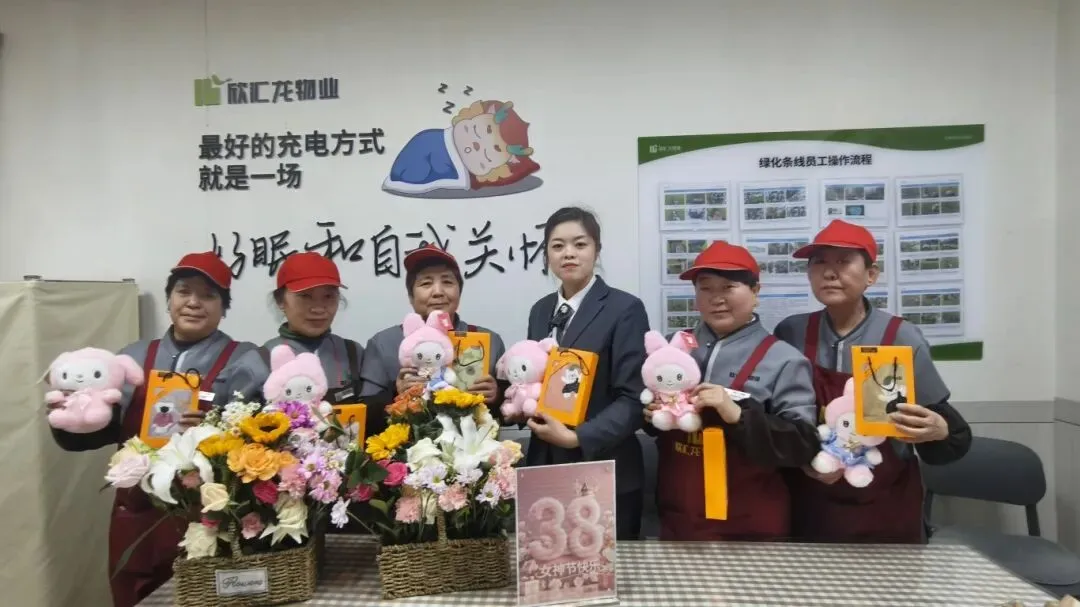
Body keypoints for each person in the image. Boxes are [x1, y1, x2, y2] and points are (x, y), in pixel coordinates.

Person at [48, 251, 268, 607]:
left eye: (208, 295)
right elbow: (96, 433)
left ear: (224, 307)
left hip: (208, 517)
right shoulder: (130, 358)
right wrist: (70, 418)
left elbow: (258, 440)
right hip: (137, 516)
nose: (194, 302)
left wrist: (215, 429)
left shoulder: (245, 360)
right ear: (169, 299)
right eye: (184, 291)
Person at [774, 219, 972, 544]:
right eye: (819, 262)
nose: (829, 272)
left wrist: (940, 430)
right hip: (809, 498)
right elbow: (778, 419)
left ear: (871, 275)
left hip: (882, 504)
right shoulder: (791, 333)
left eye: (843, 262)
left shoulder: (899, 337)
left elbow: (944, 429)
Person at [643, 241, 819, 541]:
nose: (717, 299)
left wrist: (736, 413)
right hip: (679, 516)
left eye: (728, 287)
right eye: (706, 288)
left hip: (751, 523)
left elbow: (803, 443)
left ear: (755, 291)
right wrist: (649, 415)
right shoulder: (673, 349)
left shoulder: (784, 359)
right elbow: (650, 410)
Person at [520, 206, 650, 541]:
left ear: (597, 249)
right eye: (557, 246)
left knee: (607, 565)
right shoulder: (540, 311)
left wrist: (578, 437)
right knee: (550, 560)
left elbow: (633, 398)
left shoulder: (625, 308)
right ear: (547, 254)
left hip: (604, 465)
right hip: (546, 466)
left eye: (580, 244)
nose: (569, 254)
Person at [358, 243, 507, 436]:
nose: (438, 292)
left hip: (474, 448)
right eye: (426, 283)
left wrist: (497, 396)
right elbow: (365, 416)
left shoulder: (488, 341)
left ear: (459, 292)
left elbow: (512, 411)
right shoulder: (383, 343)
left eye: (447, 282)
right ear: (410, 296)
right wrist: (396, 394)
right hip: (405, 449)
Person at [263, 252, 363, 406]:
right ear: (280, 301)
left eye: (328, 296)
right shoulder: (260, 361)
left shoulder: (353, 354)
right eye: (305, 296)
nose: (318, 309)